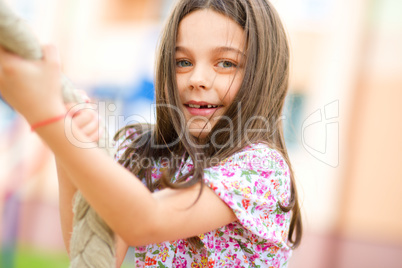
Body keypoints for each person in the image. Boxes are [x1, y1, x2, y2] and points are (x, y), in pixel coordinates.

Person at [0, 0, 302, 267]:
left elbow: (146, 222)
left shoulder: (261, 169)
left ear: (262, 74)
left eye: (226, 63)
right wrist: (72, 138)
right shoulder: (149, 153)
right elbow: (95, 255)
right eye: (182, 62)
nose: (197, 78)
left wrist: (46, 116)